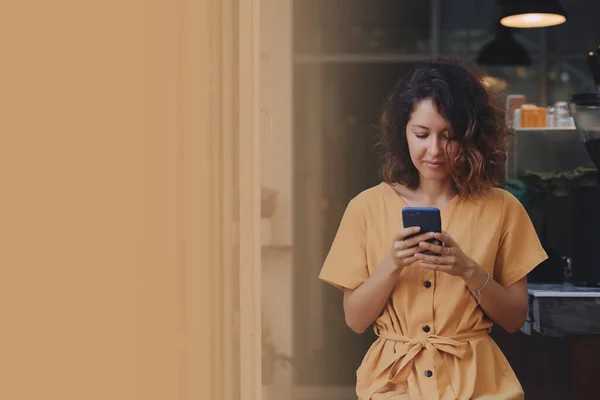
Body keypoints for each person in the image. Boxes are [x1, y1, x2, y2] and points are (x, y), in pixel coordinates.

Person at [318, 58, 548, 400]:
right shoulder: (365, 207)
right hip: (393, 386)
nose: (435, 150)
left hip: (479, 386)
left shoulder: (503, 208)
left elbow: (514, 319)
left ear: (472, 137)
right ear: (403, 132)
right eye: (422, 134)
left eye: (449, 136)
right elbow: (355, 320)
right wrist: (392, 264)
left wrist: (468, 270)